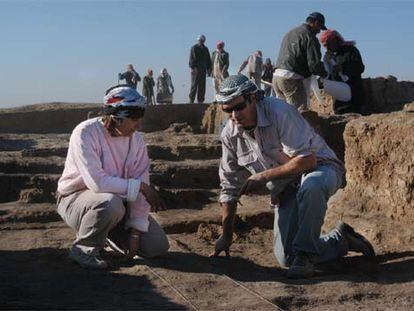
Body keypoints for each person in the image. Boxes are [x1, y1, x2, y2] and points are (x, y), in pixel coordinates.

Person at [211, 75, 375, 278]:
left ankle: (305, 257)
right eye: (227, 110)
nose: (234, 115)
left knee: (312, 185)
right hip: (286, 186)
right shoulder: (230, 134)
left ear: (253, 98)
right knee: (286, 258)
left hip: (322, 168)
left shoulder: (279, 112)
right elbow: (229, 186)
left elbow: (307, 161)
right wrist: (226, 236)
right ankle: (341, 239)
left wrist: (263, 177)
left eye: (238, 107)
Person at [56, 85, 169, 269]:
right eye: (133, 119)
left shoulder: (137, 140)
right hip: (76, 200)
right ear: (117, 117)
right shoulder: (85, 133)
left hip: (117, 206)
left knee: (157, 247)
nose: (137, 125)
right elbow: (97, 183)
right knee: (110, 203)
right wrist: (141, 187)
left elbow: (141, 182)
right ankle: (84, 250)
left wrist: (135, 232)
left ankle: (106, 235)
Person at [273, 12, 328, 111]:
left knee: (282, 114)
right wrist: (325, 74)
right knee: (298, 113)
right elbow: (314, 65)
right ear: (315, 23)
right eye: (319, 27)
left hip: (277, 77)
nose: (319, 31)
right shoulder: (310, 37)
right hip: (291, 79)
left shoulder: (290, 33)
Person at [320, 29, 365, 114]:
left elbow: (360, 68)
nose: (328, 48)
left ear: (336, 40)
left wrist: (343, 68)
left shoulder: (351, 51)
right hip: (339, 101)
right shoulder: (328, 57)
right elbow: (327, 75)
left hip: (354, 95)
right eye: (325, 46)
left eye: (329, 44)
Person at [189, 34, 212, 104]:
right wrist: (193, 67)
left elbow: (208, 59)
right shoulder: (194, 48)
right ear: (198, 40)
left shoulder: (206, 49)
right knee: (194, 86)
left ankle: (200, 101)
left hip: (203, 70)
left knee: (202, 86)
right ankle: (191, 100)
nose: (201, 42)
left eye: (202, 41)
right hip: (196, 70)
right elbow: (191, 59)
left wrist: (209, 69)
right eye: (200, 40)